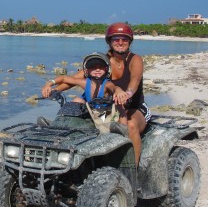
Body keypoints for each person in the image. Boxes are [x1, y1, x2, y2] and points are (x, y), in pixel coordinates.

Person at [45, 22, 151, 167]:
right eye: (116, 39)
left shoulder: (134, 59)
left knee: (131, 126)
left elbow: (135, 80)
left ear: (130, 41)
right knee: (76, 102)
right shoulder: (103, 62)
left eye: (124, 39)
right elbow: (75, 79)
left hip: (134, 107)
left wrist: (128, 93)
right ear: (109, 41)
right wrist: (55, 90)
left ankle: (134, 169)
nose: (120, 42)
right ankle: (57, 130)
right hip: (107, 108)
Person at [42, 52, 117, 104]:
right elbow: (64, 78)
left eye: (101, 67)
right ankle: (61, 123)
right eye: (93, 67)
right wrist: (49, 84)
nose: (97, 70)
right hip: (89, 111)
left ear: (107, 69)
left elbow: (115, 88)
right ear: (86, 70)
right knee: (77, 100)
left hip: (103, 114)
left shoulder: (107, 84)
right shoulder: (84, 82)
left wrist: (119, 92)